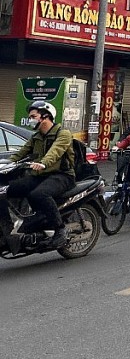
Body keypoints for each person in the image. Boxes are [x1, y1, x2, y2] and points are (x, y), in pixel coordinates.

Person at [0, 101, 76, 249]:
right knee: (8, 189)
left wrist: (43, 163)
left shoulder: (63, 134)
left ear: (45, 117)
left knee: (39, 194)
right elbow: (19, 154)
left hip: (62, 176)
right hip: (40, 175)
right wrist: (5, 163)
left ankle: (60, 230)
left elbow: (55, 151)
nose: (30, 120)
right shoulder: (36, 136)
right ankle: (15, 227)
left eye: (33, 117)